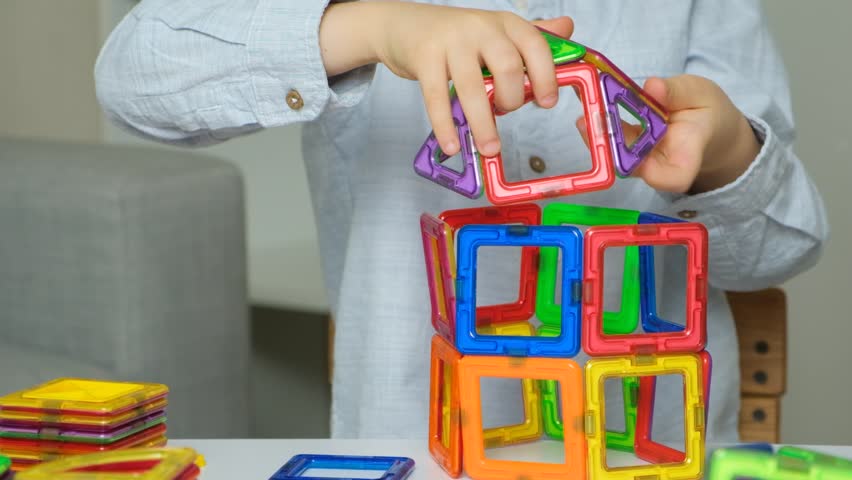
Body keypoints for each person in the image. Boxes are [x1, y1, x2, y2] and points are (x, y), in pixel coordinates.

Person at [95, 0, 828, 443]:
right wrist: (377, 25)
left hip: (654, 443)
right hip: (416, 438)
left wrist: (728, 152)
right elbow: (134, 76)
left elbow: (782, 246)